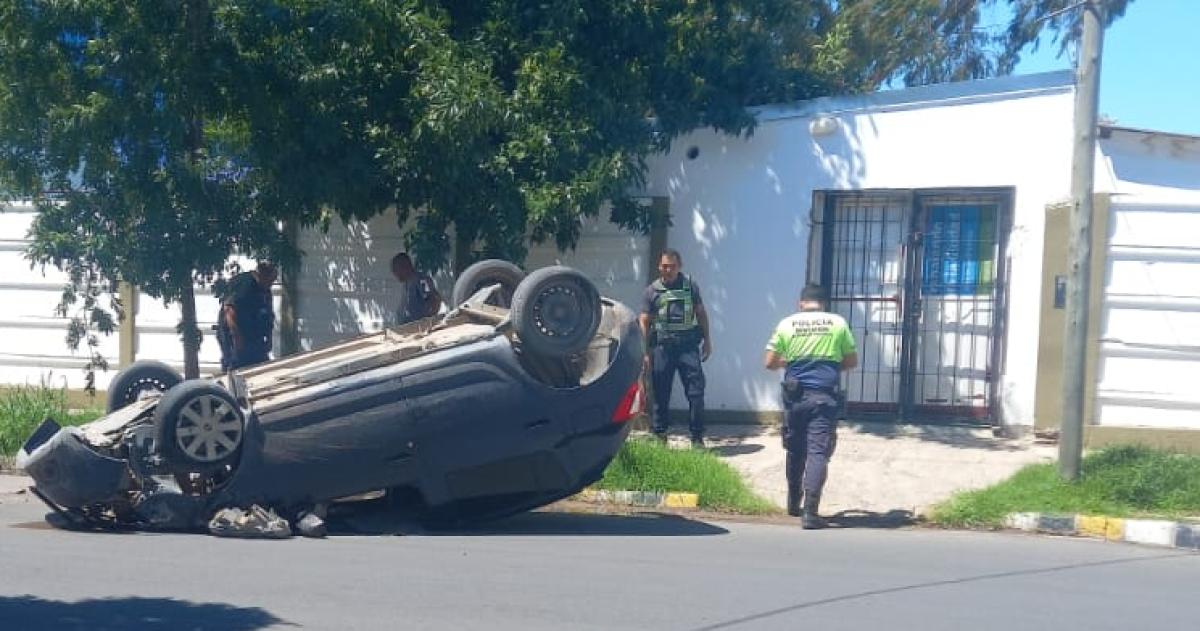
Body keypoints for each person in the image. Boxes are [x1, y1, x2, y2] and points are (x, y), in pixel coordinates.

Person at [763, 284, 857, 529]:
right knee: (817, 452)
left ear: (801, 303)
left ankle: (793, 503)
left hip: (794, 398)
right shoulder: (837, 323)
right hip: (824, 398)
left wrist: (793, 361)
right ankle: (810, 512)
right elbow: (851, 361)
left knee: (795, 449)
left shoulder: (787, 324)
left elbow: (769, 362)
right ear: (823, 304)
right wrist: (828, 365)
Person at [639, 249, 712, 449]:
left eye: (672, 266)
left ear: (679, 266)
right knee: (660, 393)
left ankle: (697, 438)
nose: (668, 270)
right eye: (664, 266)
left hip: (688, 347)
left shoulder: (690, 286)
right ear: (659, 266)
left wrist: (707, 340)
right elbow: (644, 322)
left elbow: (701, 312)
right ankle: (659, 435)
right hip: (662, 348)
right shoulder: (651, 291)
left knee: (696, 392)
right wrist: (645, 352)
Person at [217, 261, 277, 371]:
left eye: (272, 282)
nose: (270, 284)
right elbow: (229, 310)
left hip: (254, 336)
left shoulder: (265, 290)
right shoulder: (245, 285)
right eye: (268, 281)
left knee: (261, 367)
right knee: (237, 367)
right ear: (260, 275)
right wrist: (237, 337)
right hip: (236, 336)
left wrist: (269, 339)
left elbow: (268, 315)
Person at [391, 252, 442, 325]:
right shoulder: (406, 284)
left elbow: (434, 300)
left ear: (404, 266)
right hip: (406, 328)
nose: (395, 274)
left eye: (396, 270)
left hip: (419, 328)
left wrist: (428, 322)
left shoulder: (421, 281)